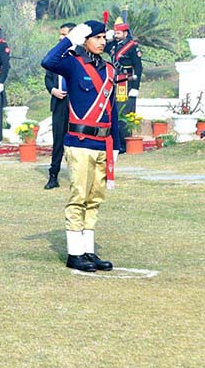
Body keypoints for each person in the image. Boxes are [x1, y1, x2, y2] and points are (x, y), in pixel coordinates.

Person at [41, 20, 119, 273]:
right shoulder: (74, 65)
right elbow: (48, 61)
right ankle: (74, 253)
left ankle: (88, 250)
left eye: (103, 38)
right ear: (85, 40)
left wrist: (115, 145)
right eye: (96, 37)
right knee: (79, 196)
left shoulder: (109, 69)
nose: (101, 41)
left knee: (95, 198)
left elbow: (112, 110)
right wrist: (71, 39)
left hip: (101, 143)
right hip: (80, 142)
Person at [44, 23, 76, 189]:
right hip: (59, 103)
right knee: (58, 141)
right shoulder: (55, 55)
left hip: (76, 105)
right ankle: (53, 175)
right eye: (60, 34)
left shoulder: (80, 55)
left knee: (77, 142)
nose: (60, 38)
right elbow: (48, 78)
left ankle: (77, 176)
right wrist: (52, 90)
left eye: (64, 35)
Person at [105, 16, 143, 154]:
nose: (116, 35)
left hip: (127, 82)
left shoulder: (132, 47)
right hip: (115, 82)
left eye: (118, 33)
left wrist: (135, 88)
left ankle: (123, 142)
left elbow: (138, 68)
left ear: (125, 33)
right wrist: (106, 38)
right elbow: (103, 47)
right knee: (115, 111)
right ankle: (116, 141)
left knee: (124, 112)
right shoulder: (114, 45)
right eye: (115, 33)